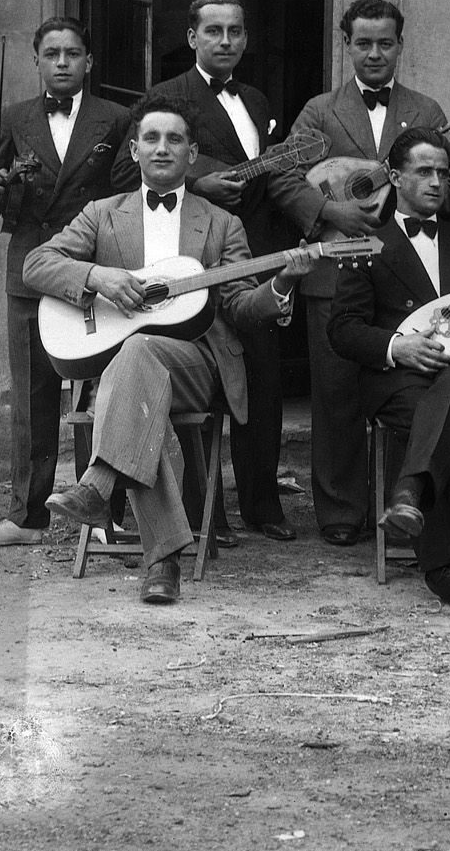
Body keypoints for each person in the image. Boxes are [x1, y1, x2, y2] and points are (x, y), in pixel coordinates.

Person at [24, 95, 315, 604]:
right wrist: (98, 276)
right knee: (138, 368)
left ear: (192, 153)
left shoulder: (223, 223)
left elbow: (242, 308)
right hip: (124, 369)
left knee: (139, 357)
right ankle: (164, 562)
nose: (162, 148)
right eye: (151, 139)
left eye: (175, 139)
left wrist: (283, 284)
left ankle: (98, 483)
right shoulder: (101, 214)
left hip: (198, 361)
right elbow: (37, 264)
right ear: (134, 150)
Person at [113, 0, 314, 543]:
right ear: (191, 38)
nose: (226, 41)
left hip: (253, 255)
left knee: (264, 385)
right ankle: (208, 518)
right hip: (188, 260)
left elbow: (274, 180)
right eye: (214, 31)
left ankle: (262, 506)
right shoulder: (164, 98)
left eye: (236, 31)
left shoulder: (256, 98)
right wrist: (194, 183)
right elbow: (119, 173)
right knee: (201, 383)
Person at [277, 0, 450, 548]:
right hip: (334, 269)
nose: (375, 53)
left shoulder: (426, 111)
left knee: (405, 386)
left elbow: (442, 185)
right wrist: (332, 211)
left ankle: (402, 510)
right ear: (347, 45)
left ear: (400, 46)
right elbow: (284, 178)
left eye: (385, 43)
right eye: (364, 43)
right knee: (335, 392)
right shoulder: (319, 111)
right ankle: (339, 511)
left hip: (403, 275)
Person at [327, 128, 450, 607]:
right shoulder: (366, 244)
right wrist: (397, 346)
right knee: (425, 415)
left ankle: (409, 494)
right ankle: (443, 565)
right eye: (423, 171)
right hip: (400, 379)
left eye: (442, 174)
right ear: (394, 176)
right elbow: (343, 329)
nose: (436, 183)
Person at [0, 18, 131, 547]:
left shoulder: (115, 118)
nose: (62, 62)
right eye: (52, 53)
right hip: (28, 271)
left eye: (73, 53)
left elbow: (125, 197)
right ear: (37, 60)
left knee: (103, 388)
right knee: (33, 393)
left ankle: (104, 512)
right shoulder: (15, 116)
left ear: (89, 61)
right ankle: (26, 516)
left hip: (91, 268)